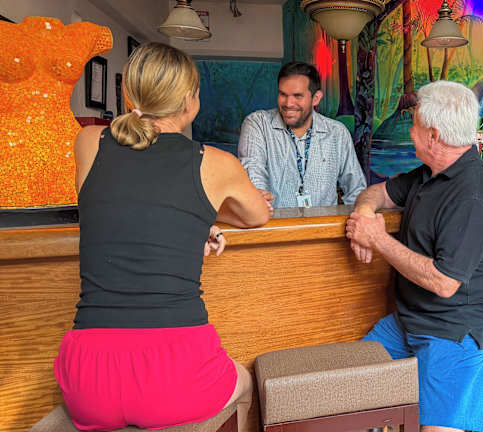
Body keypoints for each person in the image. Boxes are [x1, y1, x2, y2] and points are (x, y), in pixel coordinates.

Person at [55, 42, 271, 431]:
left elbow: (119, 202)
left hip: (90, 381)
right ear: (190, 101)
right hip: (177, 371)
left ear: (128, 93)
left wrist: (194, 222)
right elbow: (258, 215)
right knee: (245, 382)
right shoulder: (216, 164)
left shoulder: (88, 142)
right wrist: (200, 218)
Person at [345, 81, 483, 432]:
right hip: (410, 321)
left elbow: (445, 282)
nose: (410, 131)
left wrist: (377, 239)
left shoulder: (473, 194)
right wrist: (363, 215)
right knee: (350, 391)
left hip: (456, 329)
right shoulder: (430, 174)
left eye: (414, 124)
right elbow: (378, 192)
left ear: (433, 136)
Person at [238, 61, 366, 208]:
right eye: (283, 94)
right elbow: (253, 173)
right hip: (273, 221)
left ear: (316, 98)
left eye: (297, 96)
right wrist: (259, 198)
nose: (288, 103)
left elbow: (356, 190)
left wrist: (360, 215)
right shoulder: (258, 124)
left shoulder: (337, 133)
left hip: (324, 222)